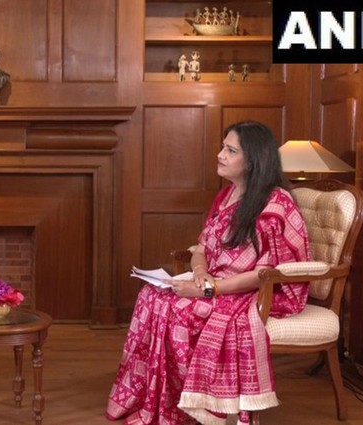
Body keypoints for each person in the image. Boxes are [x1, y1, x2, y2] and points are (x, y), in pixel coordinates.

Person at [106, 121, 311, 425]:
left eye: (231, 150)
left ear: (253, 160)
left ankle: (194, 407)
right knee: (152, 296)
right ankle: (161, 399)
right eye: (222, 147)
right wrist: (200, 271)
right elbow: (201, 247)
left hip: (255, 292)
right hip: (215, 280)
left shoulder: (275, 204)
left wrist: (208, 289)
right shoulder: (226, 195)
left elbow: (265, 274)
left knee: (178, 310)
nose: (220, 155)